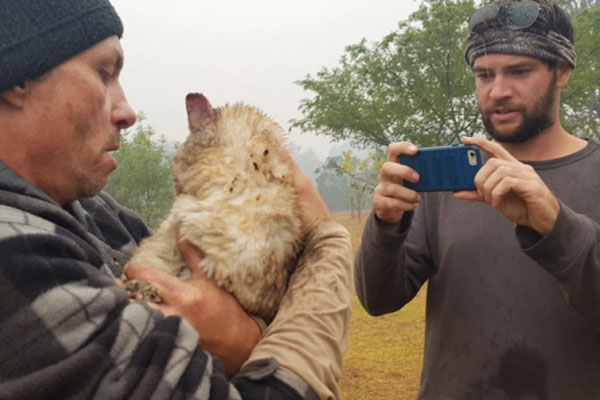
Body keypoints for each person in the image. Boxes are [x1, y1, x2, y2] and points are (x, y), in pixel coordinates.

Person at [0, 1, 353, 399]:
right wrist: (329, 244)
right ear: (18, 76)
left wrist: (242, 333)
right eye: (103, 73)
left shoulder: (99, 216)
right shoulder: (16, 253)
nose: (128, 112)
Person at [355, 0, 600, 398]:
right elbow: (378, 300)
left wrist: (556, 226)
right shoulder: (449, 186)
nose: (497, 91)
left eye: (519, 71)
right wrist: (386, 225)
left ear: (563, 72)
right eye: (484, 75)